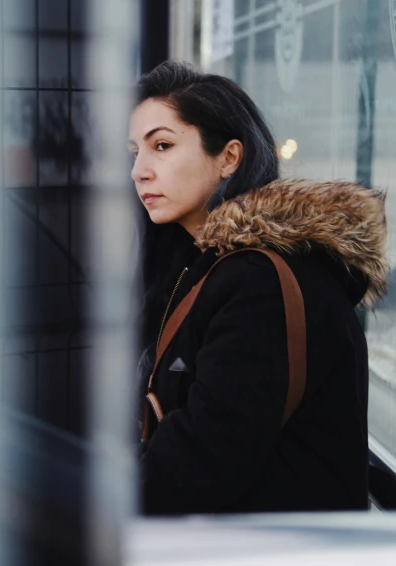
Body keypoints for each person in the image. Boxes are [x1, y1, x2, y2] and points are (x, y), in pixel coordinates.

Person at [129, 60, 387, 516]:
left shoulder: (257, 282)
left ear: (229, 157)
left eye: (162, 146)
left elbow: (200, 465)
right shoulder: (211, 266)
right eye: (135, 152)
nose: (139, 171)